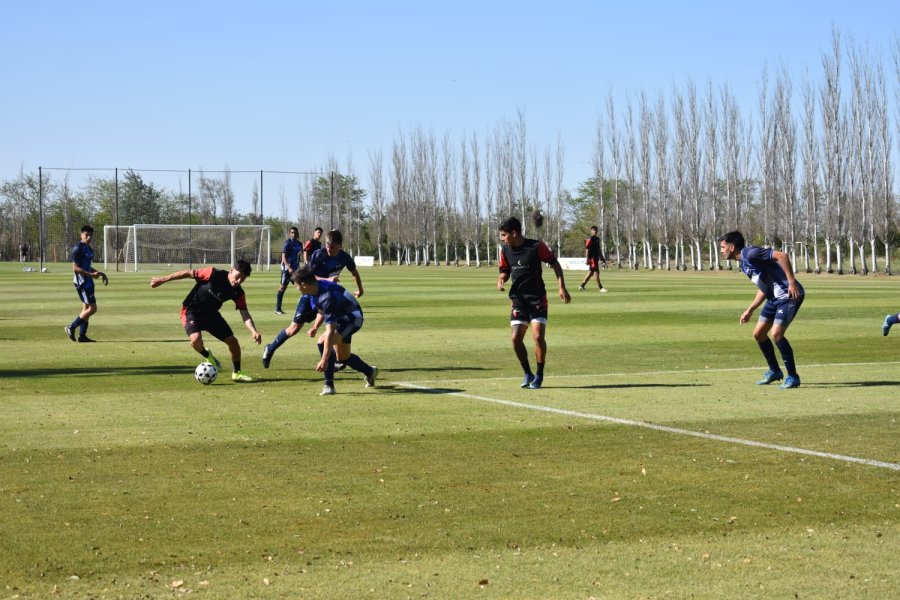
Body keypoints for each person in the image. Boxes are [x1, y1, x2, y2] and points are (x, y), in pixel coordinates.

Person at [718, 231, 805, 389]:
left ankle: (793, 377)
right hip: (774, 299)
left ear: (732, 247)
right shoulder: (744, 264)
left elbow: (783, 256)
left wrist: (791, 282)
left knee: (777, 334)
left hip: (789, 295)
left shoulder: (750, 253)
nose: (721, 251)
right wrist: (750, 309)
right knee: (758, 334)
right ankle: (775, 372)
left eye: (723, 247)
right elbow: (764, 288)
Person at [150, 259, 261, 382]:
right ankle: (207, 355)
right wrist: (162, 280)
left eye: (243, 279)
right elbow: (187, 273)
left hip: (211, 315)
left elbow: (244, 313)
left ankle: (237, 372)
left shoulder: (238, 292)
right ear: (231, 270)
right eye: (237, 276)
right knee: (195, 340)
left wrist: (253, 331)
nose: (238, 281)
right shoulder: (213, 274)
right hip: (191, 311)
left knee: (233, 342)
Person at [497, 216, 571, 390]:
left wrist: (562, 287)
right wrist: (501, 279)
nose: (502, 239)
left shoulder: (536, 246)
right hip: (518, 300)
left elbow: (555, 264)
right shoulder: (505, 251)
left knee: (538, 336)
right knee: (515, 339)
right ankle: (527, 373)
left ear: (514, 233)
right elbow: (505, 271)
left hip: (537, 298)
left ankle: (539, 375)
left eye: (503, 235)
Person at [290, 266, 377, 396]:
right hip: (342, 318)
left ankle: (329, 385)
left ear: (303, 284)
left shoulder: (326, 296)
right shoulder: (314, 289)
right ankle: (370, 371)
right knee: (343, 357)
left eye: (296, 285)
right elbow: (321, 310)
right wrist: (315, 327)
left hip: (352, 319)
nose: (296, 288)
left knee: (323, 341)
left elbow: (330, 331)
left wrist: (324, 359)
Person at [65, 225, 108, 342]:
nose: (88, 237)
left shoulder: (89, 249)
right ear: (81, 235)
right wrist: (91, 275)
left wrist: (98, 273)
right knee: (93, 308)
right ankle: (71, 326)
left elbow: (87, 266)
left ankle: (82, 336)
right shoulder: (78, 248)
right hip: (82, 283)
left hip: (88, 282)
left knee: (86, 308)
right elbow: (75, 268)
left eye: (90, 235)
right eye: (86, 235)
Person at [306, 229, 364, 297]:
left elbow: (355, 273)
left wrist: (360, 290)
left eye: (332, 247)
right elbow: (307, 276)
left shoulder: (344, 257)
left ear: (340, 245)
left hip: (329, 291)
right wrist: (327, 280)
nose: (329, 250)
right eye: (327, 246)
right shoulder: (318, 255)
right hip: (312, 291)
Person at [275, 226, 303, 315]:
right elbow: (283, 257)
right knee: (282, 287)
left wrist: (299, 265)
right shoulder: (287, 243)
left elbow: (300, 255)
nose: (293, 234)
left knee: (302, 285)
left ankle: (303, 307)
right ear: (290, 234)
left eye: (295, 232)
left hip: (295, 268)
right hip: (286, 269)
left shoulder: (299, 244)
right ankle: (278, 309)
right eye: (292, 232)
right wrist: (289, 268)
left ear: (298, 234)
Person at [578, 226, 608, 292]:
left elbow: (598, 249)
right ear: (591, 231)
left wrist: (602, 258)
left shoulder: (597, 239)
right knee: (596, 272)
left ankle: (582, 286)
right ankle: (601, 288)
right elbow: (587, 249)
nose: (595, 231)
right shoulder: (590, 239)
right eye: (593, 230)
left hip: (596, 258)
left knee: (591, 273)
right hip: (592, 259)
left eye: (596, 230)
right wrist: (587, 259)